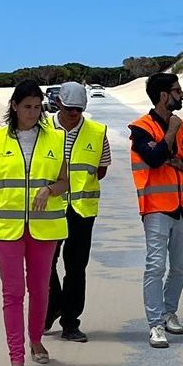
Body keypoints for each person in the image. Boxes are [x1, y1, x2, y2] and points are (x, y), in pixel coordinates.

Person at [0, 80, 70, 366]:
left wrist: (50, 190)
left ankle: (36, 341)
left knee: (40, 288)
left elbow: (66, 182)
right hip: (6, 227)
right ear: (14, 106)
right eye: (27, 106)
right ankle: (16, 357)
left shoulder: (56, 138)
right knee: (12, 292)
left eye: (37, 106)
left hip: (45, 226)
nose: (32, 112)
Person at [129, 72, 183, 349]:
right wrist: (170, 134)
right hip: (157, 209)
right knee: (155, 266)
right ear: (164, 96)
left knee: (181, 267)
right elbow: (154, 158)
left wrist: (177, 161)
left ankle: (169, 312)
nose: (182, 95)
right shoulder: (141, 128)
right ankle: (155, 325)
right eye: (177, 91)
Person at [44, 81, 111, 343]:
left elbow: (102, 168)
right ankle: (54, 305)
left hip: (82, 209)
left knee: (76, 267)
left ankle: (71, 322)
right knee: (45, 264)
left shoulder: (97, 131)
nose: (74, 114)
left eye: (79, 109)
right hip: (48, 207)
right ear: (59, 102)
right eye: (70, 108)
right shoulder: (42, 128)